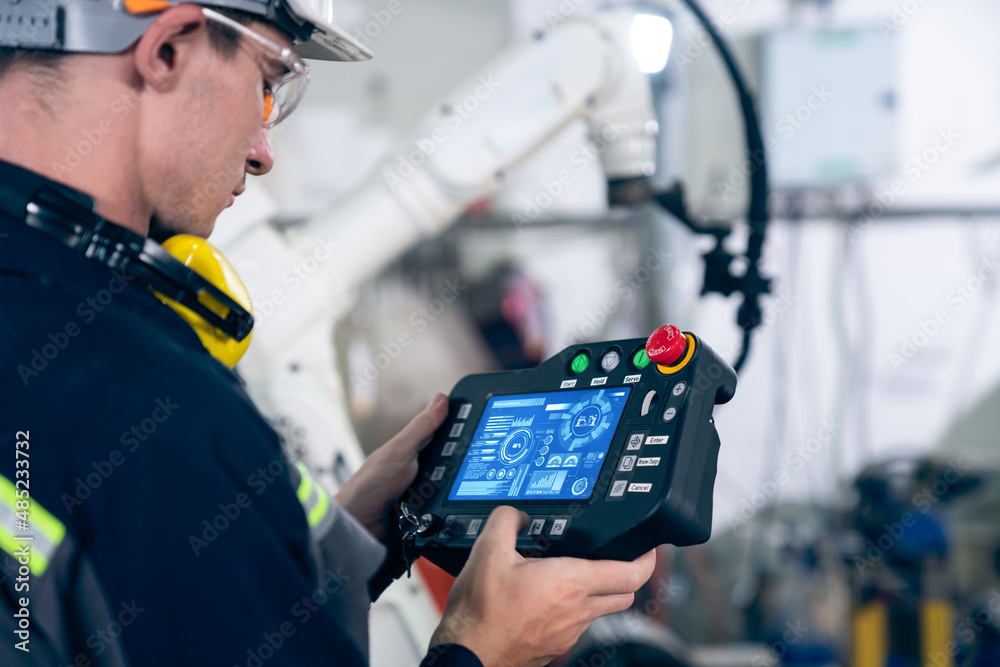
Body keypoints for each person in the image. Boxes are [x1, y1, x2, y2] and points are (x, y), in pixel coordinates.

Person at [0, 1, 656, 666]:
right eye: (266, 82)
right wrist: (482, 648)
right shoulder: (155, 411)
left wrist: (340, 537)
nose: (263, 155)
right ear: (168, 48)